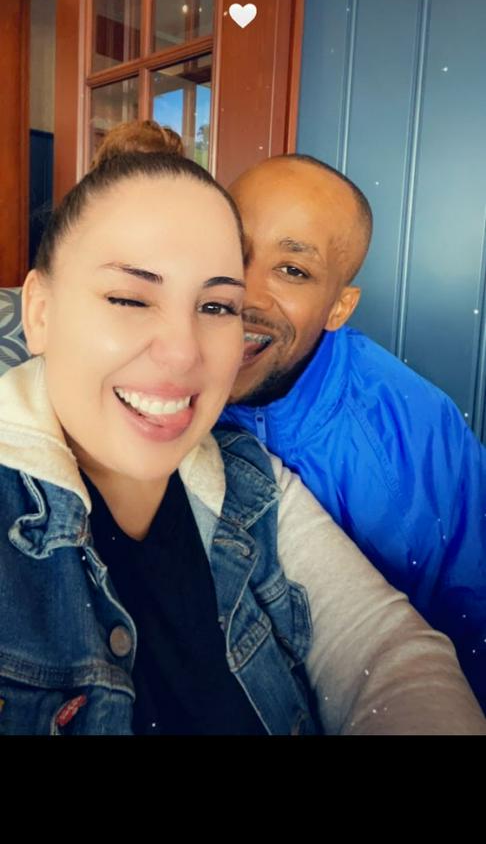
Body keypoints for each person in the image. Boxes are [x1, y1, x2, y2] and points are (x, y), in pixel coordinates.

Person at [0, 149, 484, 735]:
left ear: (340, 306)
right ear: (39, 312)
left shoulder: (278, 472)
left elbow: (392, 654)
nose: (184, 353)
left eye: (214, 305)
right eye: (129, 298)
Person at [220, 153, 486, 712]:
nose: (244, 292)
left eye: (293, 270)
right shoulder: (154, 383)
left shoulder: (412, 434)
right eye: (231, 249)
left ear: (339, 307)